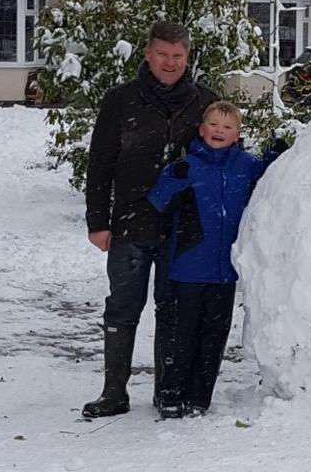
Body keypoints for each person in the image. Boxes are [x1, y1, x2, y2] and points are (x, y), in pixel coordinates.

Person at [81, 21, 218, 419]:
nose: (170, 63)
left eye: (178, 56)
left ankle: (168, 391)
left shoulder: (204, 102)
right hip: (130, 224)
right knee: (122, 307)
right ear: (147, 54)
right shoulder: (120, 101)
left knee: (172, 309)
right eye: (163, 54)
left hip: (183, 229)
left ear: (187, 57)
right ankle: (113, 392)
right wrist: (97, 222)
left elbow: (218, 159)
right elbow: (100, 164)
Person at [147, 102, 284, 418]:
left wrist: (277, 157)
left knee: (213, 336)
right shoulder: (187, 166)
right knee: (182, 334)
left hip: (225, 271)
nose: (219, 131)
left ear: (237, 134)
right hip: (188, 268)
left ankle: (199, 397)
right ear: (201, 129)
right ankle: (170, 393)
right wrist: (173, 178)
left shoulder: (246, 165)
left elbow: (270, 180)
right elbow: (158, 201)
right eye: (213, 124)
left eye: (227, 127)